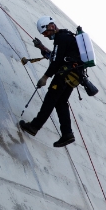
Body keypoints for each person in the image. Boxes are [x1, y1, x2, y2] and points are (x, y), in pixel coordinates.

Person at [19, 16, 82, 147]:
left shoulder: (61, 38)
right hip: (73, 76)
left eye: (46, 32)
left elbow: (57, 61)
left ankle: (34, 126)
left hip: (64, 75)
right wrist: (41, 47)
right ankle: (67, 134)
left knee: (50, 99)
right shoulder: (67, 36)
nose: (46, 36)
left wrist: (45, 77)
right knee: (61, 102)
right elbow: (56, 56)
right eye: (44, 34)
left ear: (51, 26)